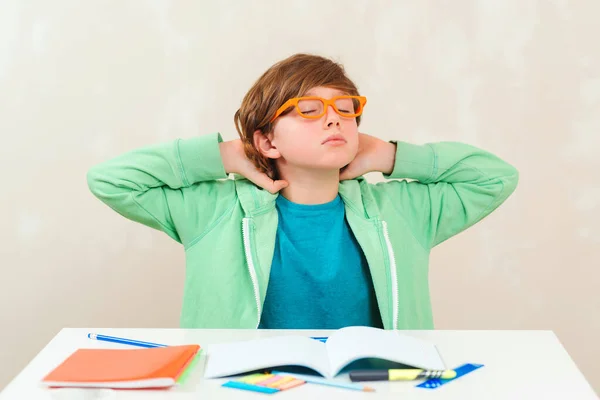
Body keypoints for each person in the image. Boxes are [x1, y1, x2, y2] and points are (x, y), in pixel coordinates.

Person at [87, 53, 519, 330]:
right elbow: (110, 180)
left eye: (346, 110)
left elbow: (495, 178)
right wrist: (223, 155)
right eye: (309, 111)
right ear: (267, 141)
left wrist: (389, 156)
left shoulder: (400, 210)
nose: (334, 120)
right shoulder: (214, 210)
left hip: (373, 387)